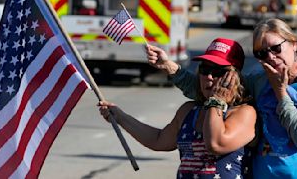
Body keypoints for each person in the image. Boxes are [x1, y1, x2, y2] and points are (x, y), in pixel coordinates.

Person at [146, 18, 297, 179]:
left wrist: (281, 93)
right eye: (261, 53)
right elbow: (212, 89)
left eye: (276, 48)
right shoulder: (261, 80)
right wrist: (170, 67)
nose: (270, 57)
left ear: (293, 43)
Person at [99, 38, 257, 178]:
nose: (209, 76)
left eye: (217, 72)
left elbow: (216, 144)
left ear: (234, 77)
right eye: (204, 69)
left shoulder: (244, 113)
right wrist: (120, 117)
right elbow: (158, 140)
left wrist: (216, 101)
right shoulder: (188, 110)